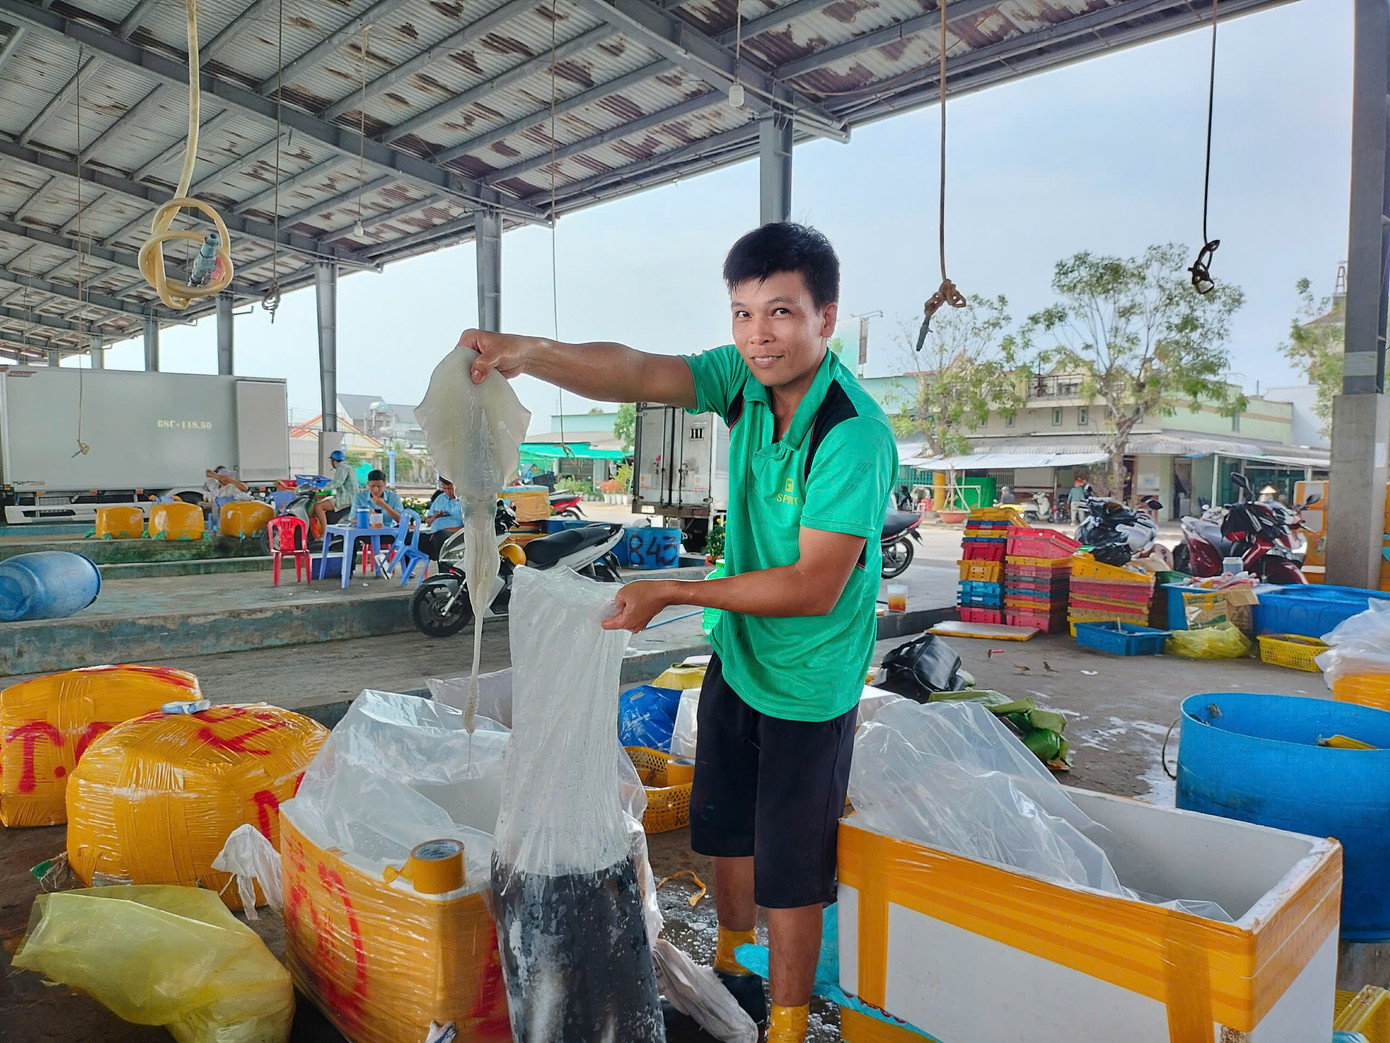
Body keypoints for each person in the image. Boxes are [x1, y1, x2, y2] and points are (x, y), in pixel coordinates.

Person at [459, 222, 896, 1043]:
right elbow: (637, 371)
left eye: (779, 313)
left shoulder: (854, 434)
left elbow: (812, 585)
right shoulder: (743, 381)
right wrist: (529, 351)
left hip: (809, 680)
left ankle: (789, 1026)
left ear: (825, 319)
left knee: (793, 872)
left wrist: (675, 590)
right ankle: (736, 975)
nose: (756, 334)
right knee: (725, 827)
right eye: (741, 313)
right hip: (740, 657)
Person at [310, 449, 359, 534]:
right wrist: (324, 493)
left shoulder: (342, 468)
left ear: (334, 460)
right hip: (348, 497)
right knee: (318, 505)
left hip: (346, 499)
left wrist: (321, 490)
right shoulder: (348, 467)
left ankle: (324, 534)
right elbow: (340, 487)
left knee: (319, 506)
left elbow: (337, 483)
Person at [419, 477, 464, 559]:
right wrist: (436, 516)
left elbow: (468, 527)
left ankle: (442, 564)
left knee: (440, 537)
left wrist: (446, 530)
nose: (447, 491)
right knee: (413, 538)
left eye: (450, 488)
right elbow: (428, 522)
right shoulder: (441, 498)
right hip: (435, 534)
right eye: (444, 488)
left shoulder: (465, 501)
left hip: (456, 535)